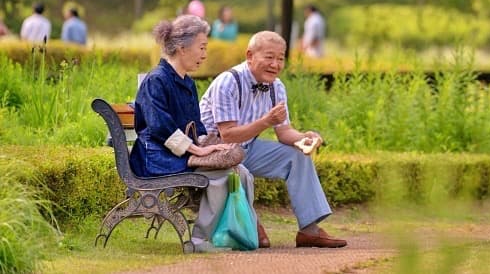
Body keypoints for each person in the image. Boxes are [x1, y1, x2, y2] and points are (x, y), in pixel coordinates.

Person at [199, 31, 347, 248]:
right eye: (269, 57)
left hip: (247, 148)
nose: (275, 64)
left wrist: (304, 138)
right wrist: (265, 121)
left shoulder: (276, 87)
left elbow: (284, 132)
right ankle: (249, 222)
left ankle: (309, 230)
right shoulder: (228, 82)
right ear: (250, 55)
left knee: (297, 156)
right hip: (216, 153)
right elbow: (227, 134)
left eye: (280, 58)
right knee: (260, 241)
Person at [130, 14, 258, 253]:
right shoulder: (156, 80)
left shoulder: (187, 83)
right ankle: (201, 241)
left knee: (241, 171)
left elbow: (196, 126)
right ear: (181, 48)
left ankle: (236, 234)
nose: (204, 54)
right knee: (219, 176)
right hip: (155, 158)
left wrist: (212, 145)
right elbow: (160, 127)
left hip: (175, 154)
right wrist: (197, 150)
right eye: (202, 47)